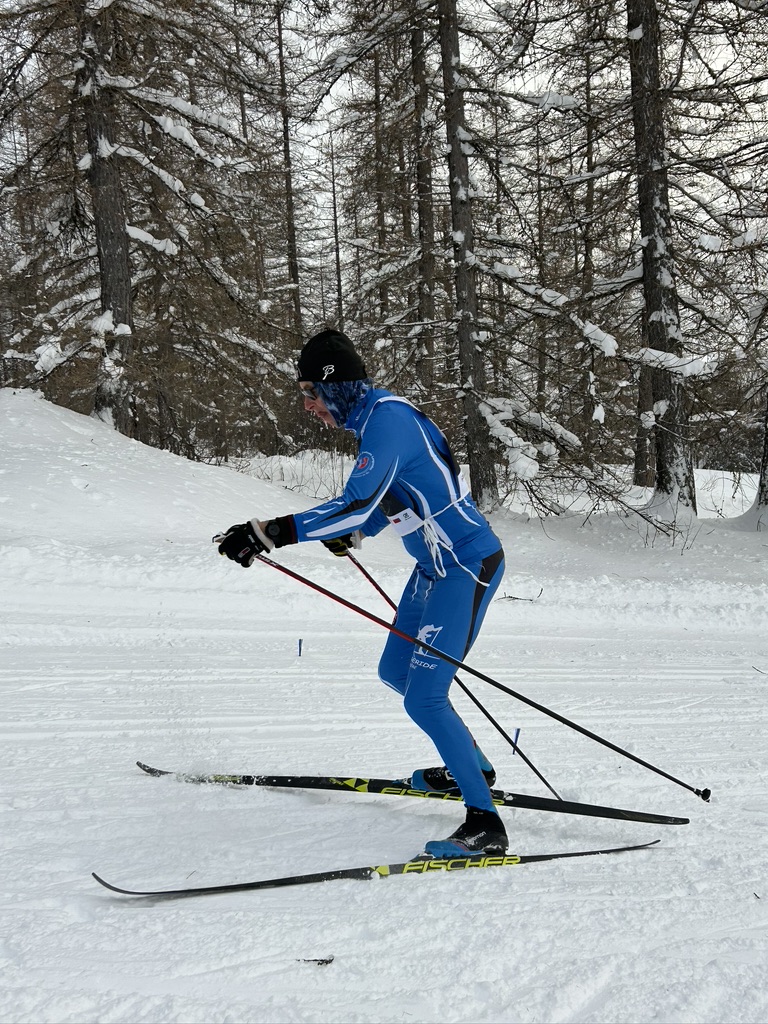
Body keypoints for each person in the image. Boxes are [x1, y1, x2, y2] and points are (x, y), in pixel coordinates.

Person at [217, 329, 507, 857]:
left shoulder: (388, 422)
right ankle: (472, 766)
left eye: (312, 393)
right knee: (395, 672)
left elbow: (355, 502)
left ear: (337, 386)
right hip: (432, 569)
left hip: (466, 564)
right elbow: (397, 493)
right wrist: (358, 534)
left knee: (425, 697)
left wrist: (269, 533)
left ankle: (485, 824)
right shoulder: (376, 419)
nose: (308, 406)